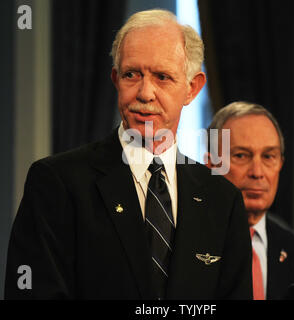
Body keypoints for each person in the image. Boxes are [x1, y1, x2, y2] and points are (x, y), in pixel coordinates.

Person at [5, 10, 252, 300]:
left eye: (162, 77)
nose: (145, 93)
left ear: (192, 88)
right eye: (132, 75)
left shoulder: (222, 199)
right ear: (115, 78)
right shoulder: (58, 183)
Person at [205, 101, 294, 300]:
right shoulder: (180, 242)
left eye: (268, 156)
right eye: (241, 155)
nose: (257, 172)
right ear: (211, 165)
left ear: (280, 164)